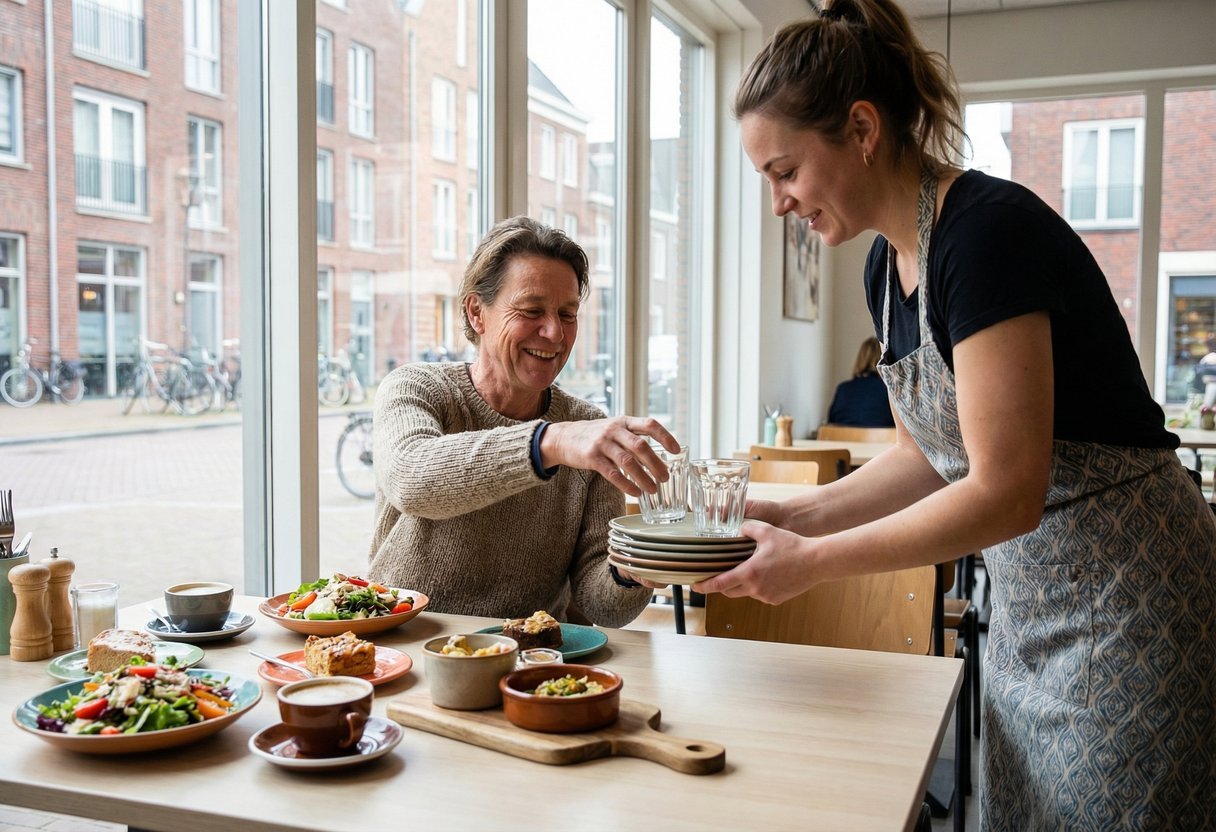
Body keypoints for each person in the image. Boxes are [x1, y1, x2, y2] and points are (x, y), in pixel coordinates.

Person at [697, 2, 1216, 829]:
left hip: (1133, 605)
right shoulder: (884, 268)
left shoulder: (985, 236)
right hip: (1033, 612)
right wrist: (787, 514)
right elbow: (927, 460)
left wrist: (813, 562)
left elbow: (1006, 489)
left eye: (784, 171)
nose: (778, 203)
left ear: (861, 129)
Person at [369, 216, 678, 626]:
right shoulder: (417, 388)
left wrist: (630, 571)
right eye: (532, 310)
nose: (554, 333)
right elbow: (411, 480)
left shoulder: (586, 427)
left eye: (567, 314)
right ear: (477, 313)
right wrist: (549, 443)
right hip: (403, 643)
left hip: (529, 654)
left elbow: (600, 606)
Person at [825, 336, 894, 427]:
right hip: (881, 436)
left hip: (842, 436)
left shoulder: (843, 388)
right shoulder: (890, 390)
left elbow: (831, 422)